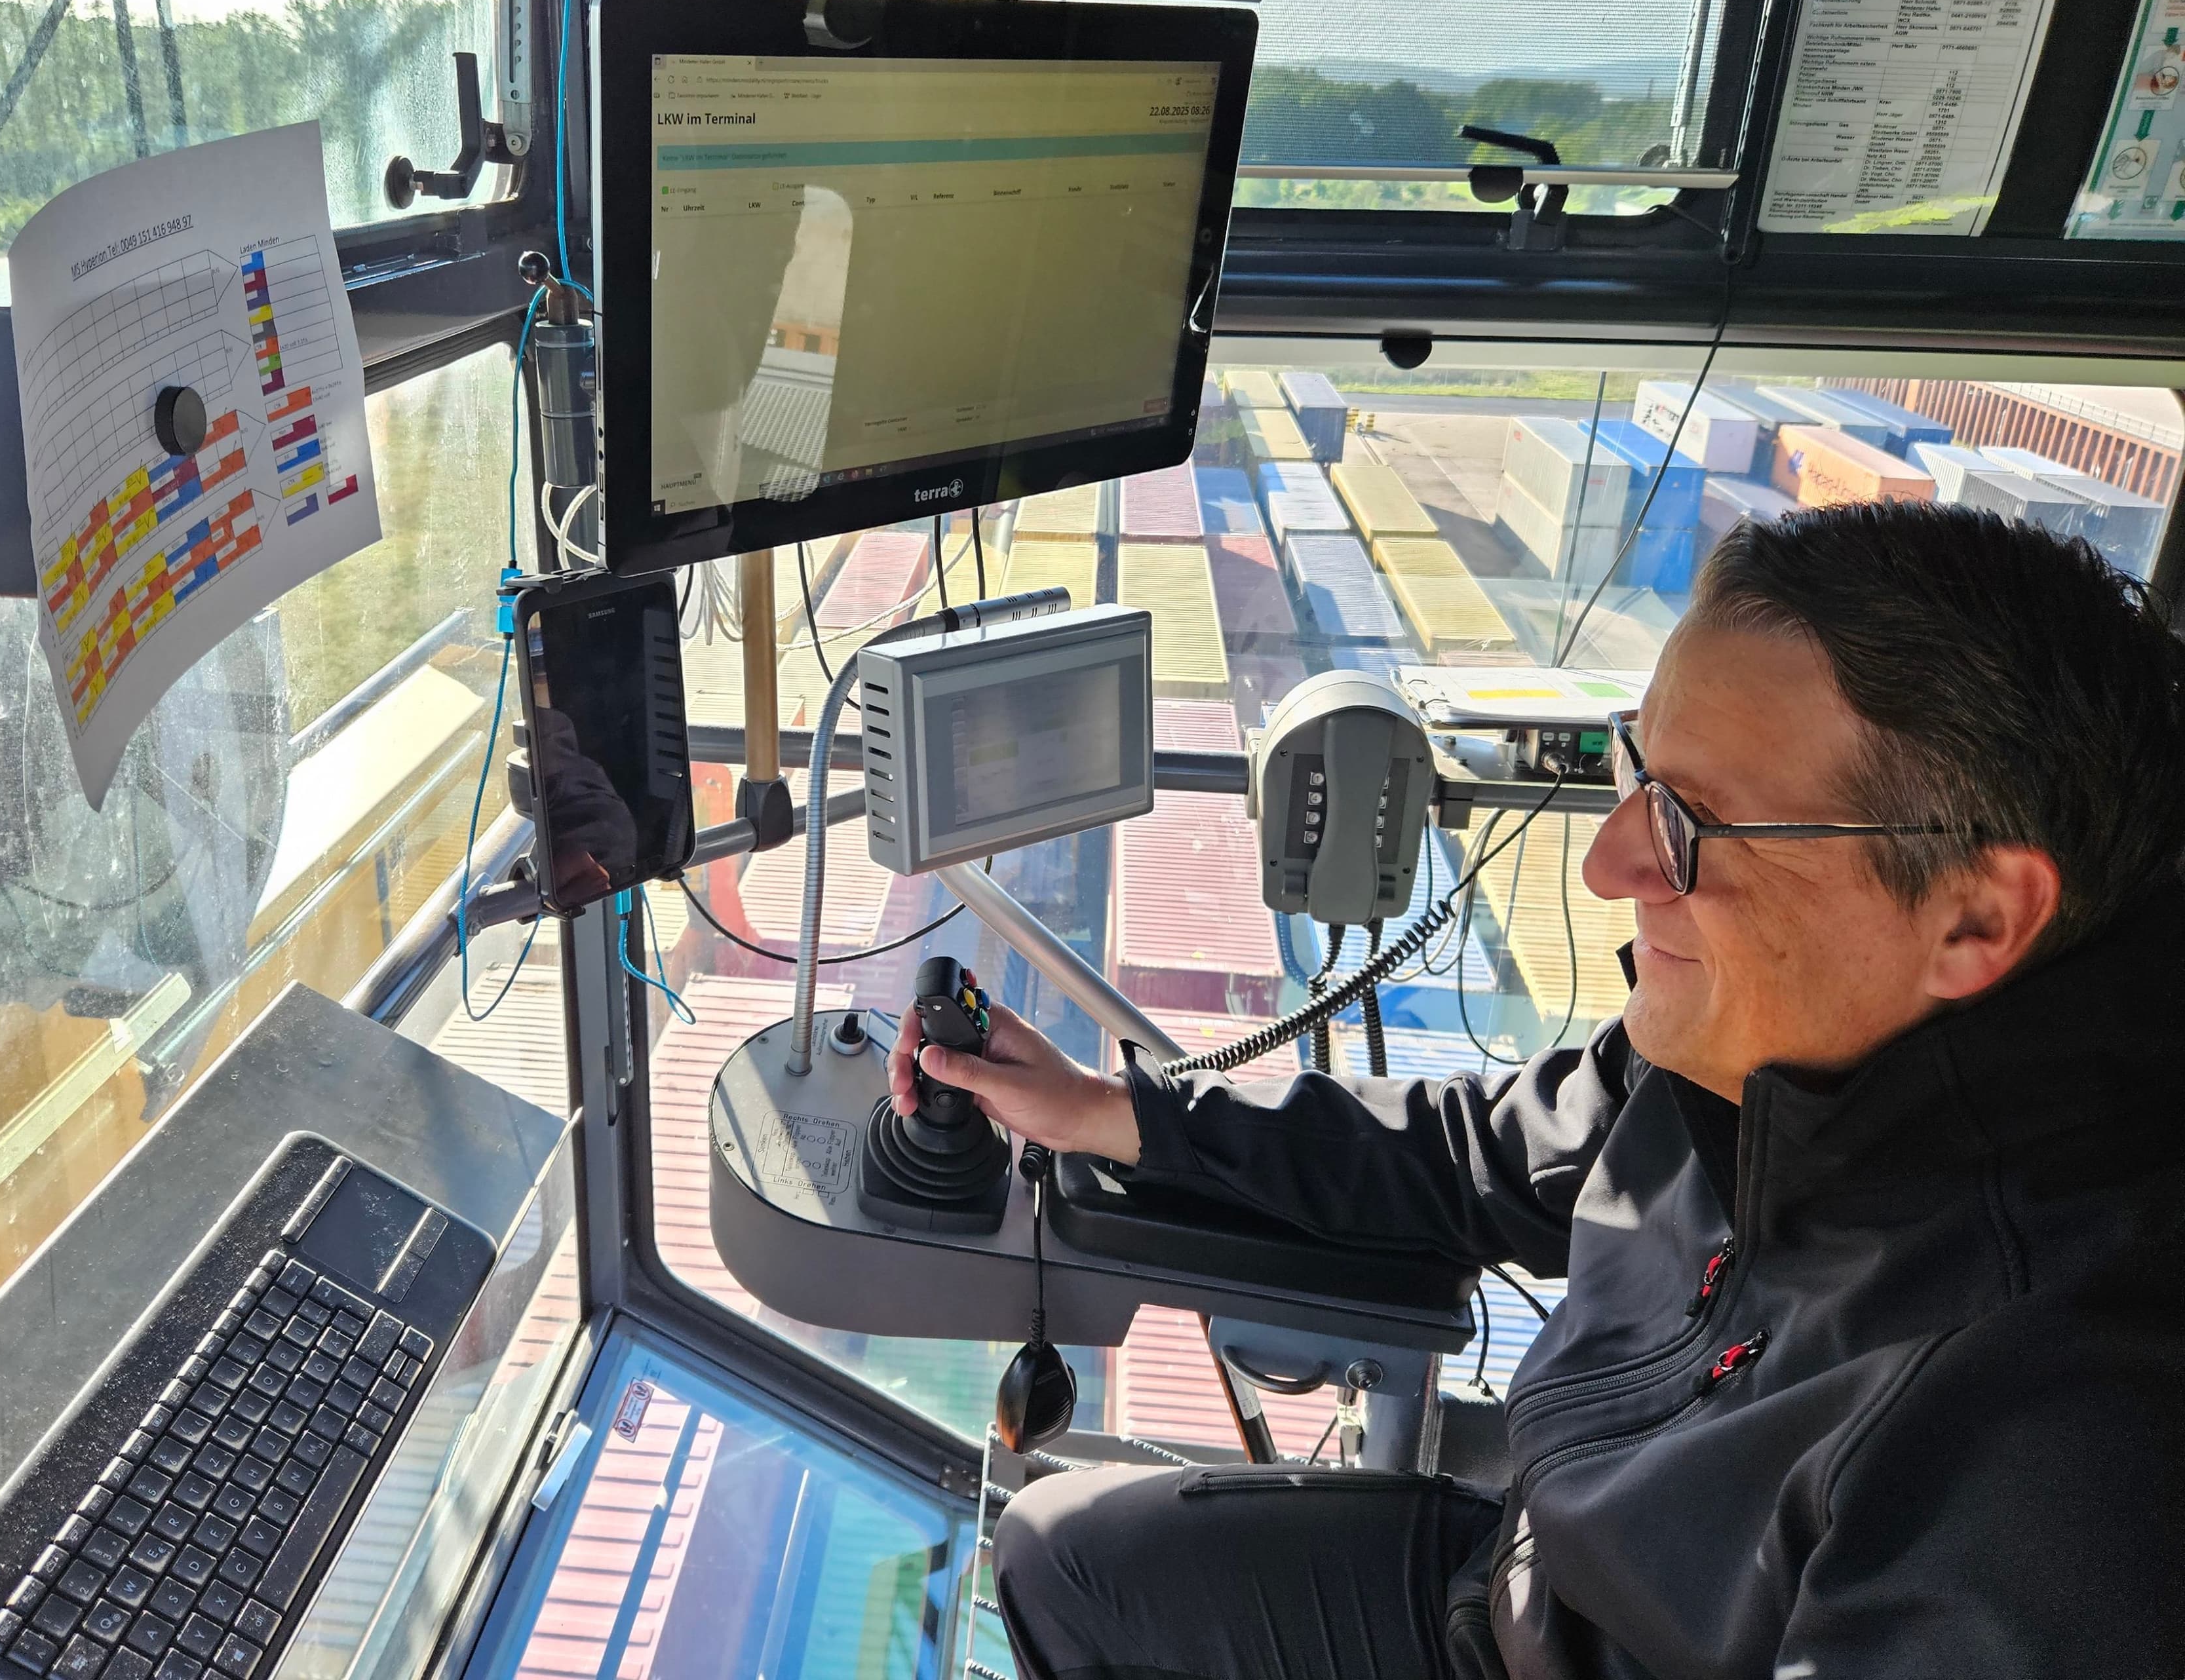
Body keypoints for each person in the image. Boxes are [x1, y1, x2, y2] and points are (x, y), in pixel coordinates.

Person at [891, 502, 2185, 1680]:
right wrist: (1110, 1113)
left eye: (1688, 823)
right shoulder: (1751, 1050)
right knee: (1061, 1553)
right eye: (1635, 772)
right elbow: (1480, 1152)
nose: (1613, 864)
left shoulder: (2050, 1451)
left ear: (1977, 915)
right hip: (1531, 1582)